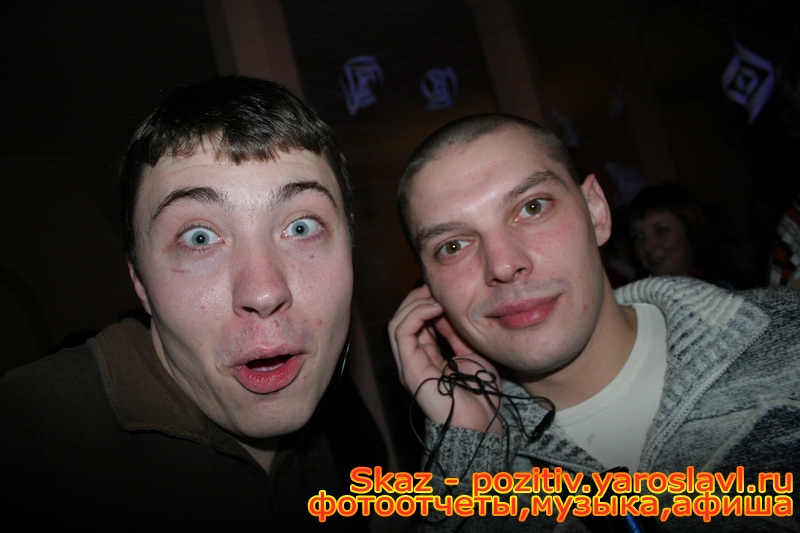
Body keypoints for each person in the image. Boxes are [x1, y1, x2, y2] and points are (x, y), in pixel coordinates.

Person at [389, 113, 800, 532]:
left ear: (597, 212)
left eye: (532, 207)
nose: (503, 264)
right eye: (452, 246)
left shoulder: (787, 337)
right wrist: (469, 453)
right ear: (429, 289)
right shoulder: (475, 465)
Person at [0, 76, 376, 531]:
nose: (263, 292)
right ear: (141, 282)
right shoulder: (30, 434)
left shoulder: (347, 435)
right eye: (199, 237)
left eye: (301, 227)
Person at [626, 183, 735, 288]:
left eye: (661, 230)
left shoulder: (722, 290)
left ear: (691, 230)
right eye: (638, 236)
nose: (648, 247)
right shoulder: (633, 295)